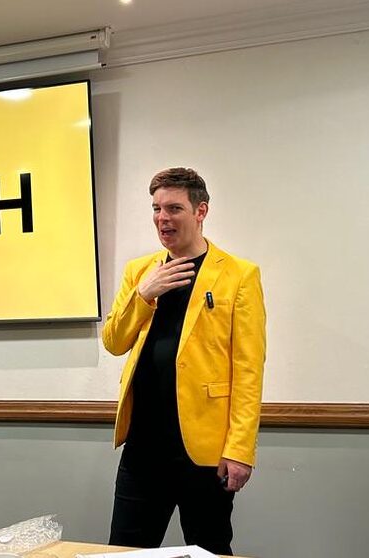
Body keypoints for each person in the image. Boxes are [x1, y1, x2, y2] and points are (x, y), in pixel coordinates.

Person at [103, 167, 266, 555]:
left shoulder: (239, 275)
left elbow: (248, 369)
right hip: (143, 447)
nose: (163, 218)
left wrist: (240, 449)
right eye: (156, 208)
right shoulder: (139, 272)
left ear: (200, 211)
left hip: (205, 452)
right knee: (125, 552)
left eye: (174, 208)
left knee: (210, 549)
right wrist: (144, 295)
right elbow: (113, 341)